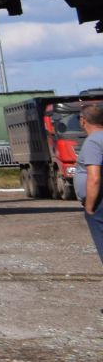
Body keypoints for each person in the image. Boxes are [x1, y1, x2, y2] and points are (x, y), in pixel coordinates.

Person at [77, 101, 103, 276]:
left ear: (82, 120)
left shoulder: (93, 141)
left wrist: (89, 206)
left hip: (99, 204)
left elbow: (94, 178)